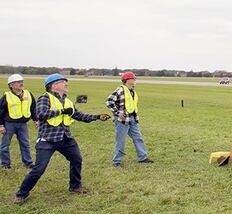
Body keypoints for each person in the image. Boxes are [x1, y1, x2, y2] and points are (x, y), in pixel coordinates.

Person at [14, 74, 110, 205]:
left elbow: (78, 115)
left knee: (77, 159)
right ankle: (21, 194)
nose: (66, 84)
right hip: (47, 140)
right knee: (39, 169)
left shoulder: (67, 100)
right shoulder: (45, 98)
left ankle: (75, 186)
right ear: (53, 85)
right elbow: (41, 114)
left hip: (65, 139)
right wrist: (62, 111)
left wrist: (97, 117)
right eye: (63, 82)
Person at [106, 72, 153, 166]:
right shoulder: (120, 90)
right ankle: (116, 162)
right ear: (128, 80)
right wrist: (117, 113)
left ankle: (142, 158)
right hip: (122, 120)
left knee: (138, 138)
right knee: (120, 141)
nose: (135, 80)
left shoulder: (132, 91)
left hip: (132, 119)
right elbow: (109, 101)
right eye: (133, 79)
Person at [0, 74, 36, 169]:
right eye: (18, 82)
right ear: (11, 85)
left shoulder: (28, 94)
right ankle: (5, 164)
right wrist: (1, 125)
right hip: (9, 124)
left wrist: (36, 120)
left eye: (21, 81)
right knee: (5, 145)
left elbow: (33, 108)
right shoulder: (6, 96)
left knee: (25, 144)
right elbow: (0, 112)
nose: (21, 83)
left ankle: (28, 163)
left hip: (23, 124)